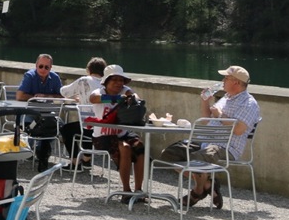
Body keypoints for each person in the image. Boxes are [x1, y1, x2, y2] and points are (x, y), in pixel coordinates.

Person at [160, 65, 262, 210]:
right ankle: (208, 184)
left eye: (226, 78)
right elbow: (207, 120)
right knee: (169, 154)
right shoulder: (226, 98)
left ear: (236, 82)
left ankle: (198, 191)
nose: (223, 80)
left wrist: (220, 115)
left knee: (198, 158)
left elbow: (239, 130)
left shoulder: (249, 103)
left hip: (226, 146)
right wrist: (205, 101)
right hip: (204, 141)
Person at [93, 65, 145, 199]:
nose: (118, 83)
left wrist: (133, 99)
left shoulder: (125, 90)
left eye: (121, 80)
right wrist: (115, 99)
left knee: (140, 147)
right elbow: (93, 98)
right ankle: (126, 191)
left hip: (122, 133)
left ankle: (139, 190)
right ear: (106, 81)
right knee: (125, 148)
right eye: (114, 80)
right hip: (103, 136)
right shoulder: (99, 91)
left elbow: (135, 96)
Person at [59, 56, 107, 166]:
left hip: (89, 127)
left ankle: (74, 162)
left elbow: (64, 92)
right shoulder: (106, 83)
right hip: (105, 129)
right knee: (86, 125)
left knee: (67, 129)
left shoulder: (84, 81)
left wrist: (78, 95)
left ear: (88, 70)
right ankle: (86, 159)